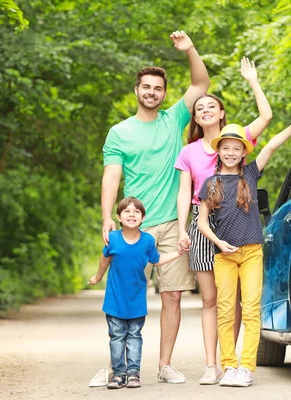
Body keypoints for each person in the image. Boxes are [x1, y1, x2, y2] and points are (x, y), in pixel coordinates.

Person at [100, 30, 209, 384]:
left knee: (173, 297)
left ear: (163, 93)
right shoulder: (119, 132)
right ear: (137, 90)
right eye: (146, 87)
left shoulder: (174, 118)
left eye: (158, 88)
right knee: (128, 295)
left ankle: (163, 365)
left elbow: (201, 82)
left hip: (174, 223)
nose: (152, 92)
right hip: (136, 227)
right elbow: (112, 178)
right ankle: (123, 366)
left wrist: (189, 48)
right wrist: (107, 219)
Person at [174, 57, 272, 384]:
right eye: (198, 107)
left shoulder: (237, 139)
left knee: (242, 301)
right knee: (212, 300)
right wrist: (180, 229)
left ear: (220, 113)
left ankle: (239, 364)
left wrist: (253, 80)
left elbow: (267, 120)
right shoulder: (189, 151)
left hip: (240, 230)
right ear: (196, 117)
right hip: (205, 229)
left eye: (210, 106)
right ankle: (212, 364)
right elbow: (185, 195)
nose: (204, 110)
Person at [197, 110, 291, 387]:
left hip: (251, 253)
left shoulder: (250, 174)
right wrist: (218, 242)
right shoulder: (210, 184)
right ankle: (228, 365)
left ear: (243, 152)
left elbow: (271, 144)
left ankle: (245, 368)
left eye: (237, 148)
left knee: (250, 310)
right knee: (225, 311)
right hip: (224, 255)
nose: (231, 153)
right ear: (219, 151)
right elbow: (201, 223)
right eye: (226, 148)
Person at [88, 197, 186, 389]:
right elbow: (104, 259)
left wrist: (177, 253)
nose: (131, 214)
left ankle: (133, 374)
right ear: (118, 217)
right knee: (117, 337)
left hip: (136, 302)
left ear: (143, 218)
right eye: (127, 211)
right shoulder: (113, 238)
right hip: (115, 301)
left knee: (134, 337)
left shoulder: (148, 241)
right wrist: (98, 277)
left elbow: (156, 260)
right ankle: (118, 374)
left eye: (136, 212)